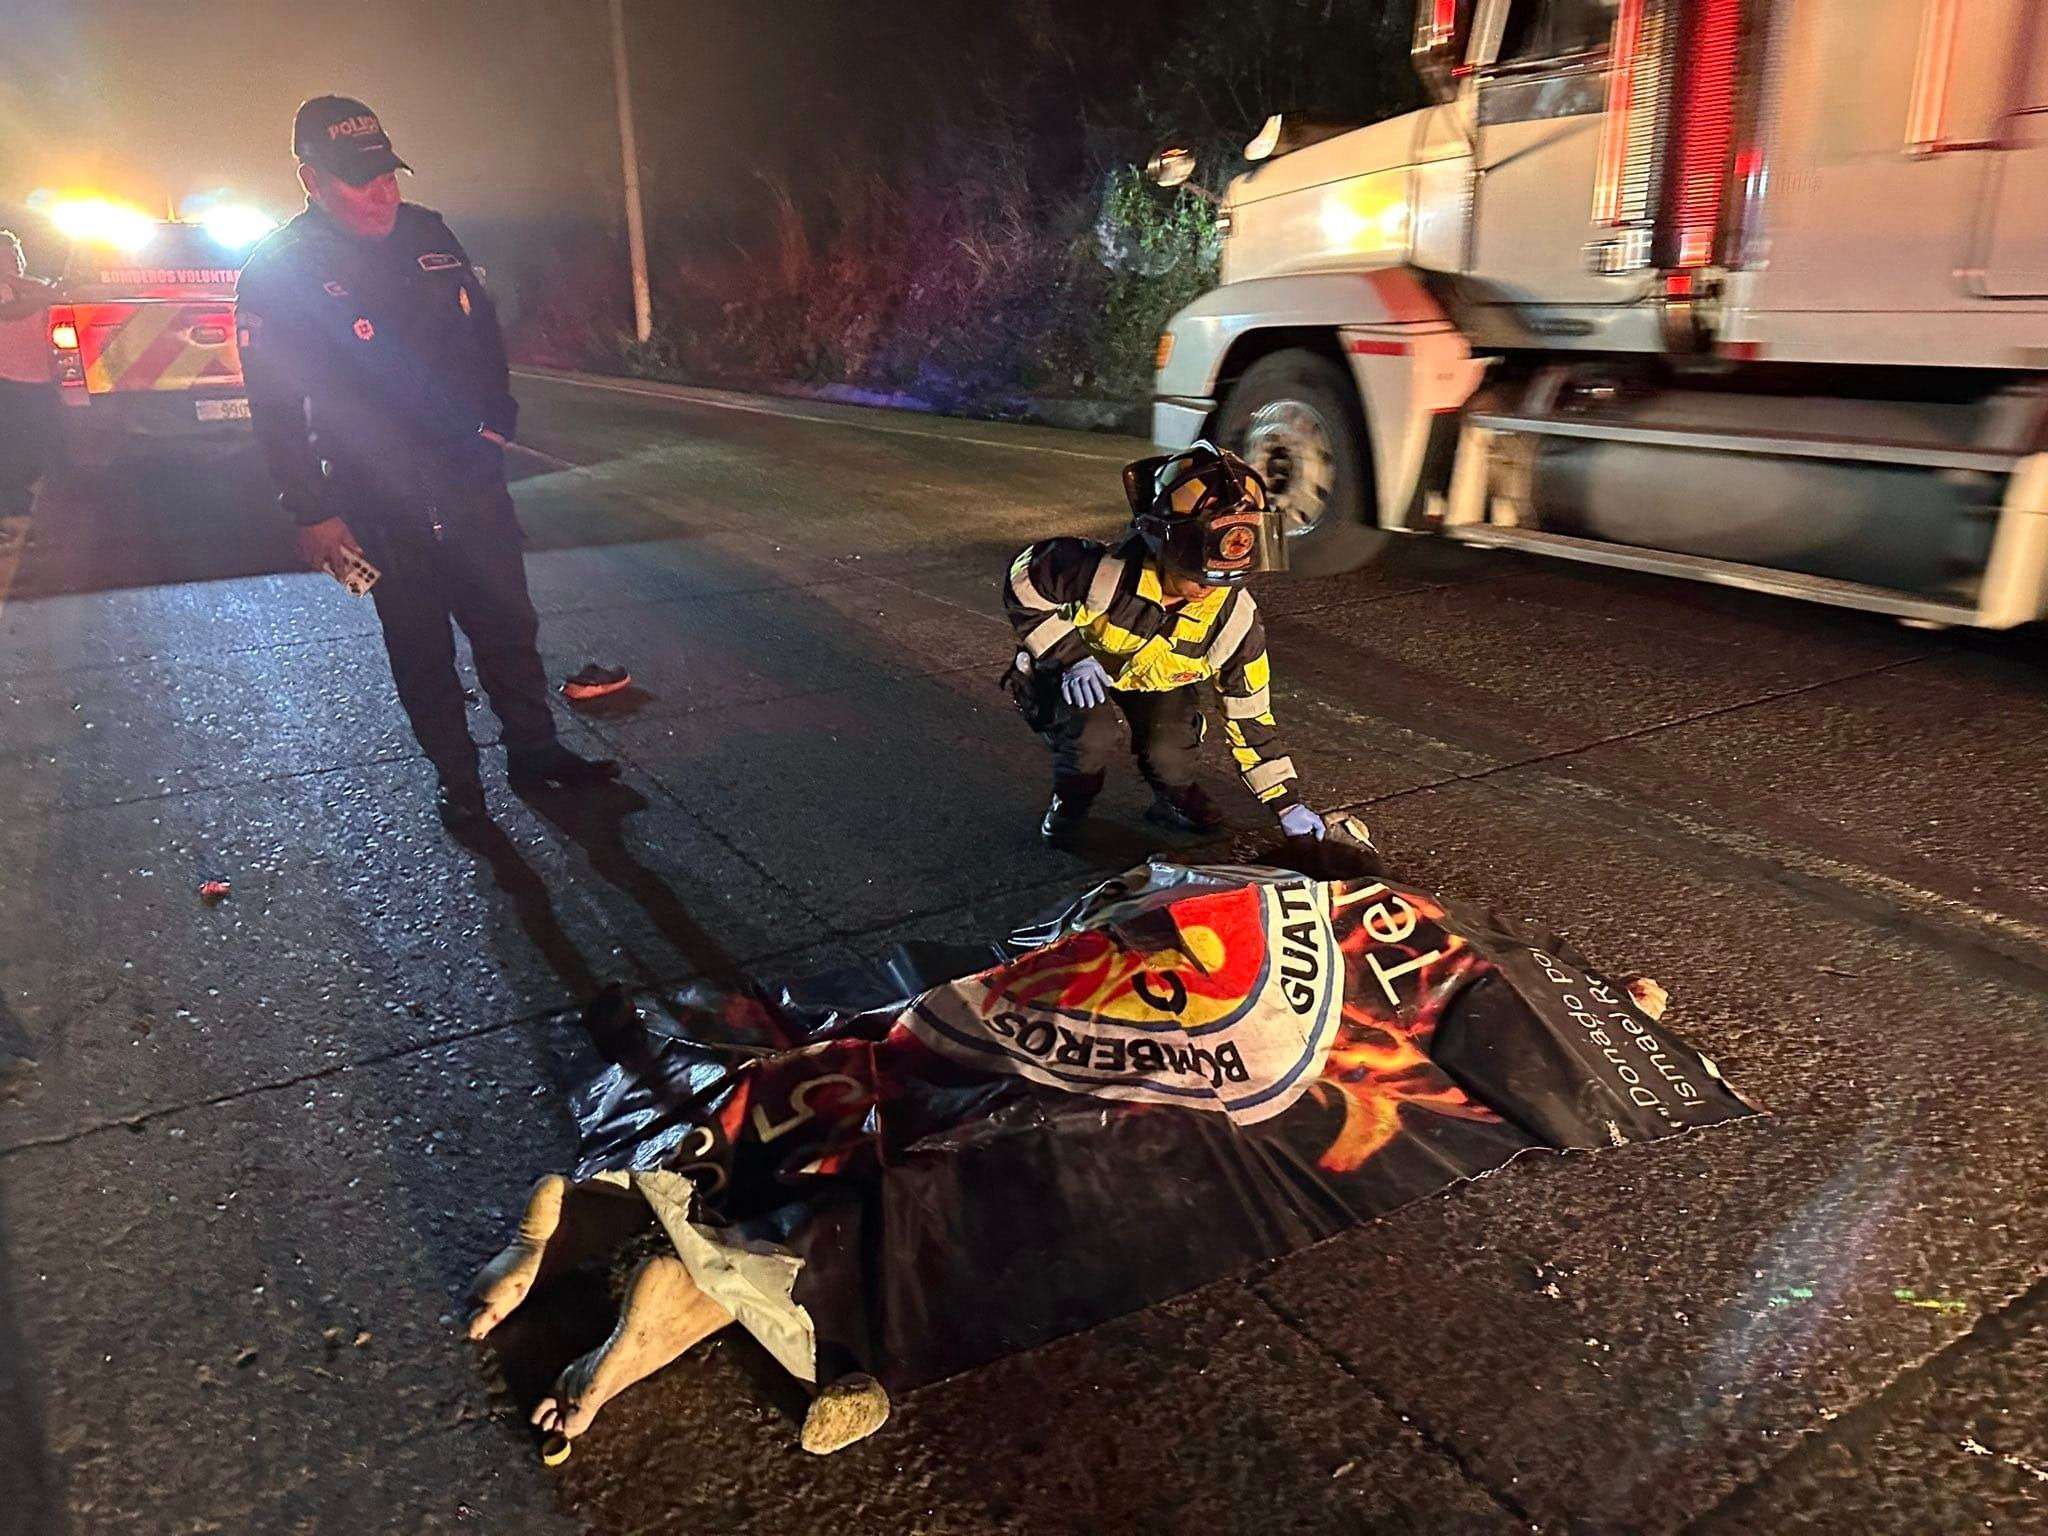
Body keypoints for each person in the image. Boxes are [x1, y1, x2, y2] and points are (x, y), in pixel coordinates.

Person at [236, 96, 615, 827]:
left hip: (467, 480)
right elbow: (275, 408)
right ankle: (457, 782)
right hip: (366, 499)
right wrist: (310, 513)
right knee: (415, 639)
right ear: (311, 179)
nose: (383, 192)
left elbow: (484, 335)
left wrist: (497, 421)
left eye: (387, 173)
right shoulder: (278, 270)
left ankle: (537, 755)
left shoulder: (429, 233)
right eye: (359, 179)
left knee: (509, 621)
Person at [1002, 440, 1328, 846]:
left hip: (1155, 683)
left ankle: (1172, 798)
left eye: (1224, 577)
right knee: (1092, 738)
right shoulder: (1101, 575)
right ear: (1165, 547)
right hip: (1080, 675)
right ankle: (1071, 803)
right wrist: (1068, 657)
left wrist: (1286, 803)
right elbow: (1025, 580)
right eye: (1199, 575)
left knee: (1171, 752)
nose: (1210, 589)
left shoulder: (1235, 620)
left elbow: (1250, 715)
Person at [0, 228, 54, 519]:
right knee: (9, 450)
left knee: (37, 448)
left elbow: (52, 294)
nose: (16, 260)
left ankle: (22, 511)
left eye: (18, 253)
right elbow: (10, 313)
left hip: (41, 381)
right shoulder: (27, 291)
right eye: (8, 255)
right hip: (7, 382)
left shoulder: (36, 286)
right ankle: (10, 514)